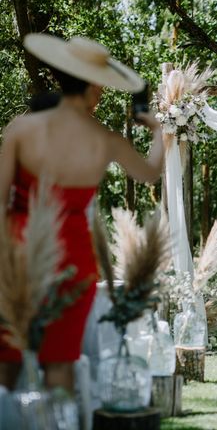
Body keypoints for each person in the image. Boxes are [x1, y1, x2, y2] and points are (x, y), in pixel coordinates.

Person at [0, 34, 164, 394]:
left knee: (6, 362)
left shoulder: (21, 130)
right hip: (72, 259)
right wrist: (156, 129)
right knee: (60, 364)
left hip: (17, 254)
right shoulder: (105, 140)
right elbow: (150, 172)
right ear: (93, 86)